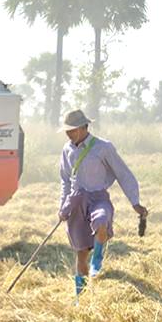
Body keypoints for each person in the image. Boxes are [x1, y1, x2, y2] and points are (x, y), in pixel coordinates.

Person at [57, 109, 148, 296]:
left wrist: (135, 202)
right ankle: (79, 295)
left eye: (72, 129)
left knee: (101, 221)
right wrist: (63, 207)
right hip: (76, 201)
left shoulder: (103, 147)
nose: (68, 133)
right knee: (81, 253)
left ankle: (97, 260)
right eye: (67, 130)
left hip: (98, 197)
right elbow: (65, 180)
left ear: (83, 127)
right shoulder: (67, 150)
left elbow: (123, 174)